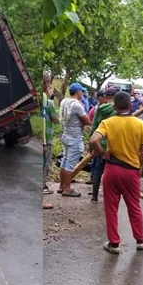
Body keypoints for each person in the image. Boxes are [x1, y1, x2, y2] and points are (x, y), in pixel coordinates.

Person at [89, 91, 143, 254]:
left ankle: (114, 244)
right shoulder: (141, 125)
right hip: (131, 171)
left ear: (114, 106)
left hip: (112, 169)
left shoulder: (107, 122)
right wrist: (139, 166)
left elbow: (93, 140)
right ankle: (140, 240)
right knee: (134, 205)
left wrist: (102, 153)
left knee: (111, 207)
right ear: (130, 106)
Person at [58, 82, 90, 197]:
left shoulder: (64, 101)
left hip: (66, 135)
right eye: (82, 91)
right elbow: (87, 121)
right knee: (70, 164)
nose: (83, 93)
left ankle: (61, 186)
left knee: (65, 161)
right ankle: (67, 189)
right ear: (78, 92)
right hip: (75, 138)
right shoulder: (77, 105)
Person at [88, 89, 117, 203]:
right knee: (111, 172)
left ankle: (94, 196)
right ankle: (109, 197)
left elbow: (94, 126)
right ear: (115, 96)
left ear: (105, 96)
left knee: (97, 170)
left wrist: (91, 145)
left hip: (99, 144)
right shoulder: (117, 109)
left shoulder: (99, 109)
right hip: (113, 145)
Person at [41, 72, 59, 208]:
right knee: (44, 166)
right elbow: (55, 120)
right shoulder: (48, 101)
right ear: (46, 84)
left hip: (43, 138)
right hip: (46, 138)